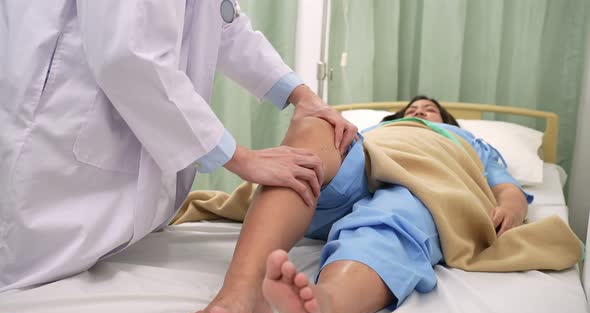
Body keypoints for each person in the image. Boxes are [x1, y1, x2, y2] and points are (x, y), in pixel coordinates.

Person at [0, 1, 357, 292]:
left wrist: (301, 94)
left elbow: (221, 21)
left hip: (91, 177)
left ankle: (243, 289)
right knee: (23, 274)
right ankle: (243, 289)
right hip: (51, 148)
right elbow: (127, 54)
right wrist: (240, 158)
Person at [181, 95, 532, 313]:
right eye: (413, 109)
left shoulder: (466, 140)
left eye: (429, 110)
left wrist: (510, 210)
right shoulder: (376, 130)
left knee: (397, 213)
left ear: (447, 121)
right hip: (366, 162)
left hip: (423, 180)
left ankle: (324, 308)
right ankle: (243, 287)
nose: (420, 112)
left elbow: (507, 188)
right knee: (316, 125)